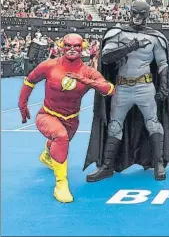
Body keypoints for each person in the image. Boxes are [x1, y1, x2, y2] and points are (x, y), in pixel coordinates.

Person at [84, 0, 169, 182]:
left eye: (141, 14)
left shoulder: (154, 37)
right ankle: (107, 166)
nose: (137, 18)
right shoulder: (118, 33)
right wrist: (130, 46)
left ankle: (158, 163)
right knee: (114, 125)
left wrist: (164, 86)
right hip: (122, 87)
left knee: (153, 123)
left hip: (145, 87)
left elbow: (162, 64)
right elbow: (106, 58)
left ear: (147, 15)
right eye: (134, 13)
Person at [18, 33, 115, 203]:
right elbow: (30, 80)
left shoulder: (88, 72)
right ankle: (61, 184)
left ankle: (47, 155)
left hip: (71, 119)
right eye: (68, 45)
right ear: (62, 47)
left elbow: (109, 89)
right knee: (60, 136)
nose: (72, 49)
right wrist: (22, 104)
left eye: (76, 46)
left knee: (61, 139)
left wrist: (85, 80)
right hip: (47, 114)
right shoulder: (49, 66)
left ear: (82, 47)